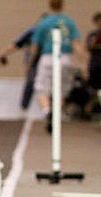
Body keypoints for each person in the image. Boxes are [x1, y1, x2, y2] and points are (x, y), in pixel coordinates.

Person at [31, 0, 87, 133]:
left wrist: (32, 62)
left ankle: (47, 111)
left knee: (41, 89)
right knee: (61, 90)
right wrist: (84, 63)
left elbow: (35, 46)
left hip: (48, 57)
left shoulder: (44, 23)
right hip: (65, 58)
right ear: (63, 5)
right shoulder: (69, 22)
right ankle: (56, 115)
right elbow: (76, 44)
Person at [0, 14, 47, 110]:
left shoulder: (50, 34)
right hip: (34, 62)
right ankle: (24, 106)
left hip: (46, 61)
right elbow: (15, 45)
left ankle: (47, 107)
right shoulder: (32, 32)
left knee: (42, 83)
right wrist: (2, 55)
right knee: (31, 80)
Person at [85, 12, 101, 116]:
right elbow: (89, 47)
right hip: (95, 65)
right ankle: (90, 107)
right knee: (94, 88)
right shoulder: (92, 35)